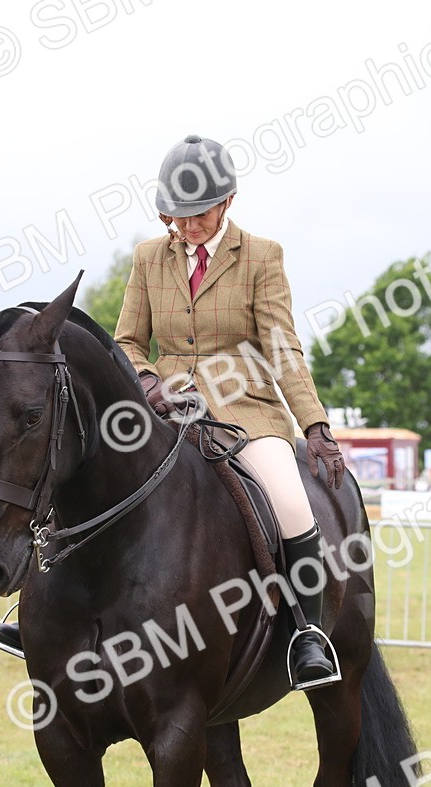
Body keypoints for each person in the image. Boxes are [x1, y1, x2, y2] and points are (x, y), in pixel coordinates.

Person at [115, 135, 351, 690]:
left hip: (245, 412)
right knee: (86, 469)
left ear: (226, 203)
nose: (188, 225)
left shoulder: (262, 257)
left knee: (292, 501)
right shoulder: (151, 257)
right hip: (166, 412)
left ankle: (307, 634)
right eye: (177, 215)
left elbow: (283, 348)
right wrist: (148, 381)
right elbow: (126, 340)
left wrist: (315, 426)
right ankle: (42, 614)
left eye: (198, 214)